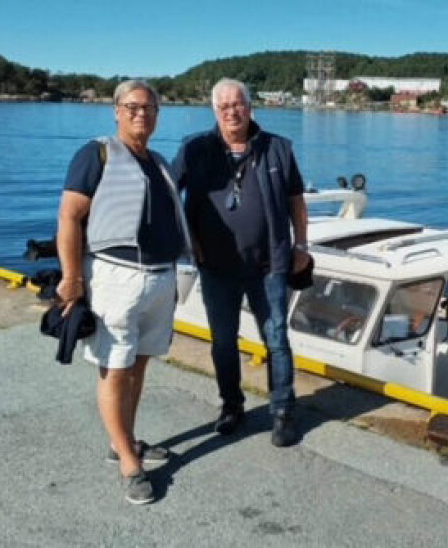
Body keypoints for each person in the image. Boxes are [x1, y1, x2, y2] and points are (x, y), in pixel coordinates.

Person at [56, 80, 193, 505]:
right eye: (133, 107)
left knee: (138, 366)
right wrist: (72, 277)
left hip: (159, 278)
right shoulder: (96, 154)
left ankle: (125, 440)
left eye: (150, 108)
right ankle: (128, 464)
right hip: (116, 277)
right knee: (115, 368)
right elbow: (70, 217)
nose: (141, 114)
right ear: (116, 111)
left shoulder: (159, 163)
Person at [173, 78, 309, 447]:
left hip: (269, 265)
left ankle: (283, 411)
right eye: (224, 106)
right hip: (216, 266)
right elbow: (170, 193)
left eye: (238, 104)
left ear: (250, 107)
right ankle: (232, 407)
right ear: (215, 111)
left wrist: (302, 245)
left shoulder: (278, 148)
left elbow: (296, 200)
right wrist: (190, 242)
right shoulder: (195, 149)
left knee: (277, 339)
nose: (232, 111)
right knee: (223, 343)